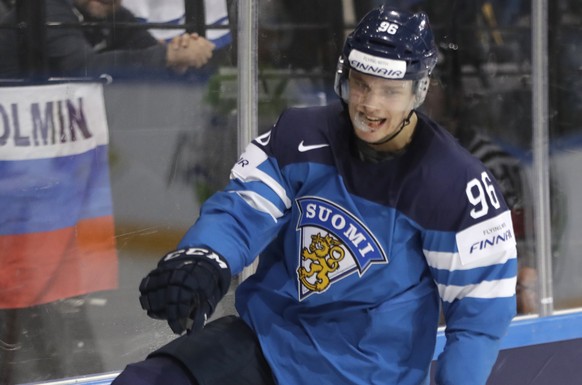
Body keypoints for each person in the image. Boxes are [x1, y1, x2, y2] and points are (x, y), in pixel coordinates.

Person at [113, 6, 517, 385]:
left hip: (366, 373)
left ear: (419, 90)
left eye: (390, 91)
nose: (370, 105)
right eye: (362, 85)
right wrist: (205, 256)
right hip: (267, 341)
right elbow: (244, 207)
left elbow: (480, 315)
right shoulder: (300, 135)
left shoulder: (457, 185)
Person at [0, 0, 215, 79]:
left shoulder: (114, 15)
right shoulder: (44, 7)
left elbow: (150, 52)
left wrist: (181, 56)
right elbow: (83, 68)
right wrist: (167, 55)